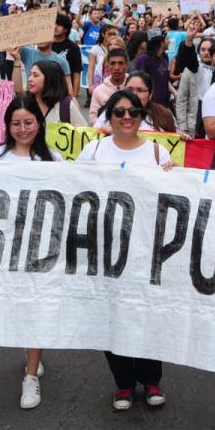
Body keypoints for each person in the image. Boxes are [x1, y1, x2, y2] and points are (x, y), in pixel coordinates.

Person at [77, 88, 172, 411]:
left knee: (147, 314)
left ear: (142, 115)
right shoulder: (93, 151)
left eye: (133, 111)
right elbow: (74, 190)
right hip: (105, 250)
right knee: (112, 315)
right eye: (119, 112)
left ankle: (151, 378)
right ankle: (123, 383)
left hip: (146, 251)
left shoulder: (159, 154)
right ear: (109, 116)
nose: (127, 117)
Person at [0, 97, 62, 410]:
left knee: (38, 307)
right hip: (4, 248)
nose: (22, 129)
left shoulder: (54, 159)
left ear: (39, 124)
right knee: (17, 306)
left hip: (42, 249)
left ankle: (31, 375)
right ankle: (29, 350)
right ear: (7, 126)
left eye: (28, 122)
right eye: (15, 123)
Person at [94, 72, 177, 134]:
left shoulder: (165, 114)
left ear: (150, 94)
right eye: (129, 89)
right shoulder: (111, 111)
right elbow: (93, 135)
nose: (134, 94)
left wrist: (183, 138)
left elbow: (177, 142)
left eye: (140, 90)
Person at [19, 59, 85, 126]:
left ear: (50, 79)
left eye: (35, 75)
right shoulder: (26, 103)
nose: (30, 79)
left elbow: (85, 132)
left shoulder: (66, 105)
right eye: (30, 74)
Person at [130, 31, 172, 108]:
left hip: (163, 103)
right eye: (167, 39)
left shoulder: (165, 58)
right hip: (148, 105)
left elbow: (165, 80)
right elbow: (139, 82)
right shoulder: (144, 59)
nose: (169, 41)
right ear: (161, 43)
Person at [48, 13, 84, 98]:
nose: (55, 27)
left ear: (66, 29)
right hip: (47, 91)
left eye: (59, 25)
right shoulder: (47, 45)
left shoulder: (73, 47)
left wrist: (74, 97)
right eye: (54, 24)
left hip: (66, 92)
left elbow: (76, 74)